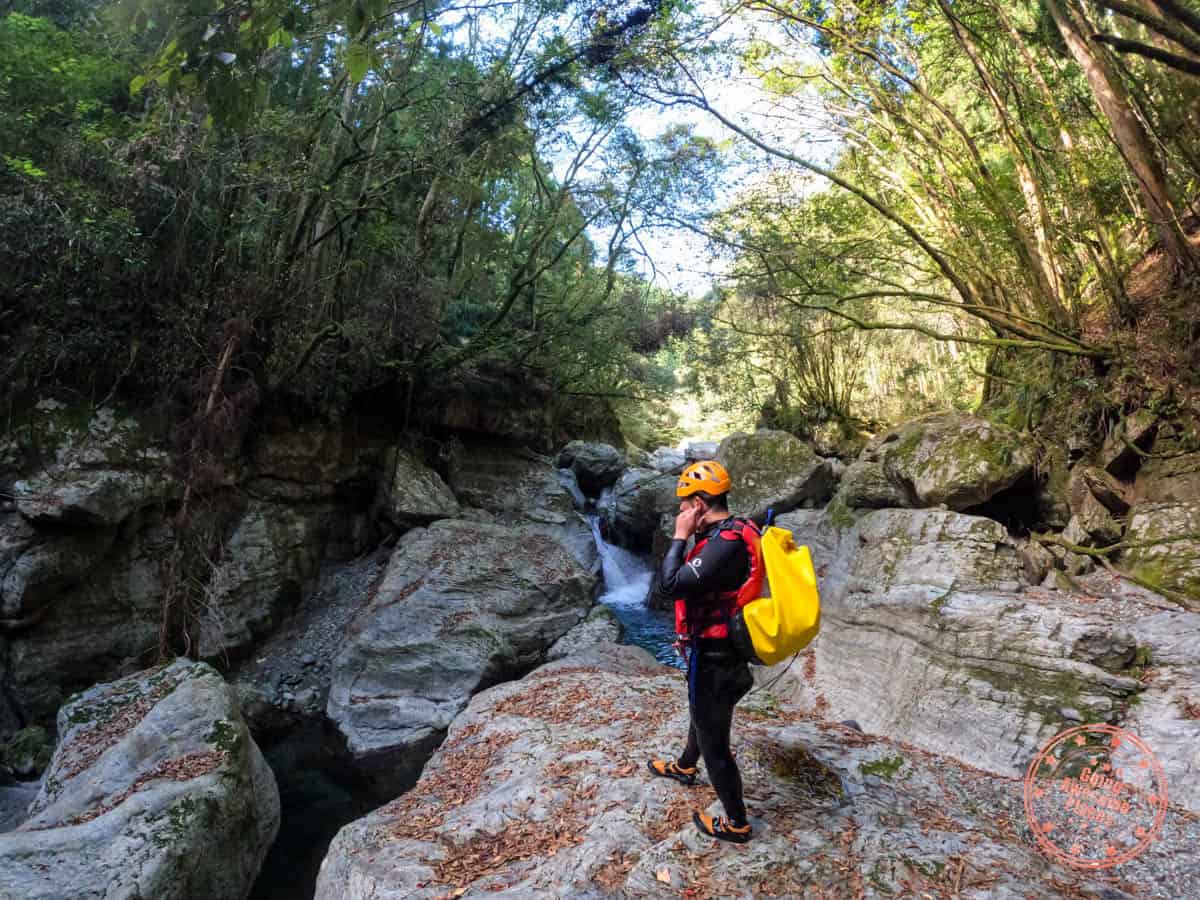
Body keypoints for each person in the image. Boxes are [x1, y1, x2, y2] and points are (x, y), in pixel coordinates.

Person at [646, 459, 757, 844]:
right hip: (716, 649)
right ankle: (683, 766)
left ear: (698, 503)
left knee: (715, 743)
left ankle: (737, 822)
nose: (680, 511)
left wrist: (678, 537)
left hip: (717, 655)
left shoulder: (723, 545)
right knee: (702, 714)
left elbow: (670, 585)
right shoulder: (733, 529)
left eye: (683, 504)